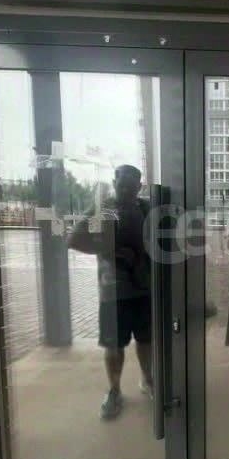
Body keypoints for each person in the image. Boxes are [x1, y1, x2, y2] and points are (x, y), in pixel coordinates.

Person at [68, 164, 152, 420]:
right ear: (114, 183)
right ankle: (114, 390)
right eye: (122, 184)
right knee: (113, 346)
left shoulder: (147, 208)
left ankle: (148, 379)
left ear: (139, 186)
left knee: (146, 340)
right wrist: (109, 249)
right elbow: (73, 239)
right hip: (113, 293)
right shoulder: (102, 209)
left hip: (144, 289)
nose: (126, 190)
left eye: (131, 186)